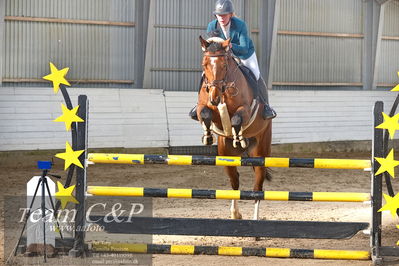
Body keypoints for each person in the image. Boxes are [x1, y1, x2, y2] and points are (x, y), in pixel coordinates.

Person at [190, 0, 276, 121]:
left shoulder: (240, 25)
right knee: (205, 75)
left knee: (256, 75)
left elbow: (244, 48)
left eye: (224, 15)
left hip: (243, 54)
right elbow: (212, 48)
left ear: (230, 14)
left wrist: (231, 46)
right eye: (219, 15)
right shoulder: (212, 26)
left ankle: (266, 106)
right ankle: (199, 103)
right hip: (223, 57)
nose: (222, 18)